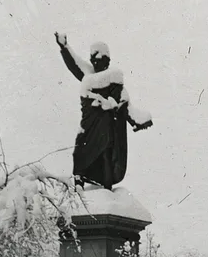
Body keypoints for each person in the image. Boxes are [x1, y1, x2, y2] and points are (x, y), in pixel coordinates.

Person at [54, 32, 152, 190]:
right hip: (87, 128)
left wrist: (137, 120)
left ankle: (107, 191)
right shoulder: (90, 75)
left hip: (105, 130)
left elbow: (125, 105)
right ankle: (79, 191)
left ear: (107, 61)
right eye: (95, 60)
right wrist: (64, 47)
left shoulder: (114, 80)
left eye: (101, 59)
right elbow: (75, 65)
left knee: (105, 156)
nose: (97, 62)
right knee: (78, 156)